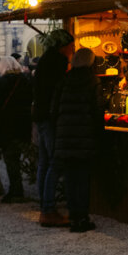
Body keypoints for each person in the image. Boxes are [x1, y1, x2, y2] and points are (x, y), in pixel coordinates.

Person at [48, 48, 102, 232]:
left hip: (65, 138)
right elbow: (97, 110)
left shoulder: (64, 80)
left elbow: (53, 110)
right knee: (83, 178)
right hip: (85, 137)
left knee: (70, 178)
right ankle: (83, 217)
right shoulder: (92, 81)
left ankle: (73, 217)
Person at [32, 29, 73, 226]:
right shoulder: (58, 61)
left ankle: (45, 206)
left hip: (40, 115)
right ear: (63, 46)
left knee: (45, 162)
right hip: (50, 117)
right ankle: (48, 210)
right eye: (70, 46)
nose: (72, 49)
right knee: (55, 161)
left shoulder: (45, 59)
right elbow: (59, 91)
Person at [0, 56, 33, 203]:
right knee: (17, 157)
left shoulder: (1, 82)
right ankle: (17, 188)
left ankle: (16, 190)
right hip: (23, 124)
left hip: (7, 125)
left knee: (10, 159)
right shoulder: (25, 80)